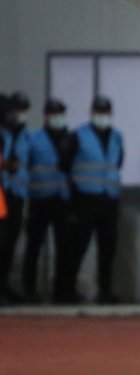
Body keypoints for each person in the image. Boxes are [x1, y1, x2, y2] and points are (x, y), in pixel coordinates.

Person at [62, 96, 124, 304]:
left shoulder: (116, 137)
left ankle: (105, 292)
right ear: (91, 112)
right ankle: (67, 290)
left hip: (109, 200)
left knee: (108, 248)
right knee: (77, 246)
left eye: (105, 112)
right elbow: (65, 164)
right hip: (85, 200)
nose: (102, 116)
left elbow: (117, 163)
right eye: (99, 111)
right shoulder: (78, 135)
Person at [22, 98, 73, 304]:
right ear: (45, 115)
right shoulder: (33, 139)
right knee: (33, 247)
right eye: (53, 113)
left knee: (64, 248)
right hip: (40, 199)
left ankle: (61, 292)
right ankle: (29, 291)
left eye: (60, 113)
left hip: (63, 200)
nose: (56, 117)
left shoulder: (70, 138)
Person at [0, 91, 31, 304]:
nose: (16, 115)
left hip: (17, 194)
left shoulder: (26, 136)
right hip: (1, 193)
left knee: (10, 244)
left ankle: (4, 287)